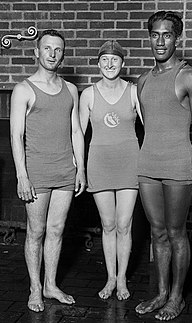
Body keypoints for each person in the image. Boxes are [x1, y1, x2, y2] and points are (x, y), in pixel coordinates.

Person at [135, 11, 192, 321]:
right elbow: (147, 124)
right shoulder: (142, 79)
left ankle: (177, 297)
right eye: (155, 34)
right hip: (148, 164)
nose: (160, 40)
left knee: (177, 232)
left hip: (179, 165)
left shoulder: (190, 76)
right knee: (157, 233)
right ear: (149, 37)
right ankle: (162, 292)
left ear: (177, 38)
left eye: (167, 34)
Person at [10, 29, 86, 312]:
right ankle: (35, 288)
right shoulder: (24, 89)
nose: (53, 54)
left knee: (57, 229)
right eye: (47, 49)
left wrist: (81, 169)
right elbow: (16, 136)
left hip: (65, 169)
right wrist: (22, 175)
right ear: (36, 53)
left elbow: (76, 130)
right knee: (37, 231)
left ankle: (51, 284)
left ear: (63, 55)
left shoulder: (70, 89)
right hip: (37, 170)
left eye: (58, 50)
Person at [79, 40, 143, 301]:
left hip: (130, 163)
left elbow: (150, 126)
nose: (109, 64)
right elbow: (78, 134)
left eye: (114, 60)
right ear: (97, 64)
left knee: (124, 225)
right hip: (100, 163)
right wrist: (78, 168)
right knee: (107, 224)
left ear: (122, 63)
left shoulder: (134, 91)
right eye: (104, 60)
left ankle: (123, 279)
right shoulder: (89, 94)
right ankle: (110, 278)